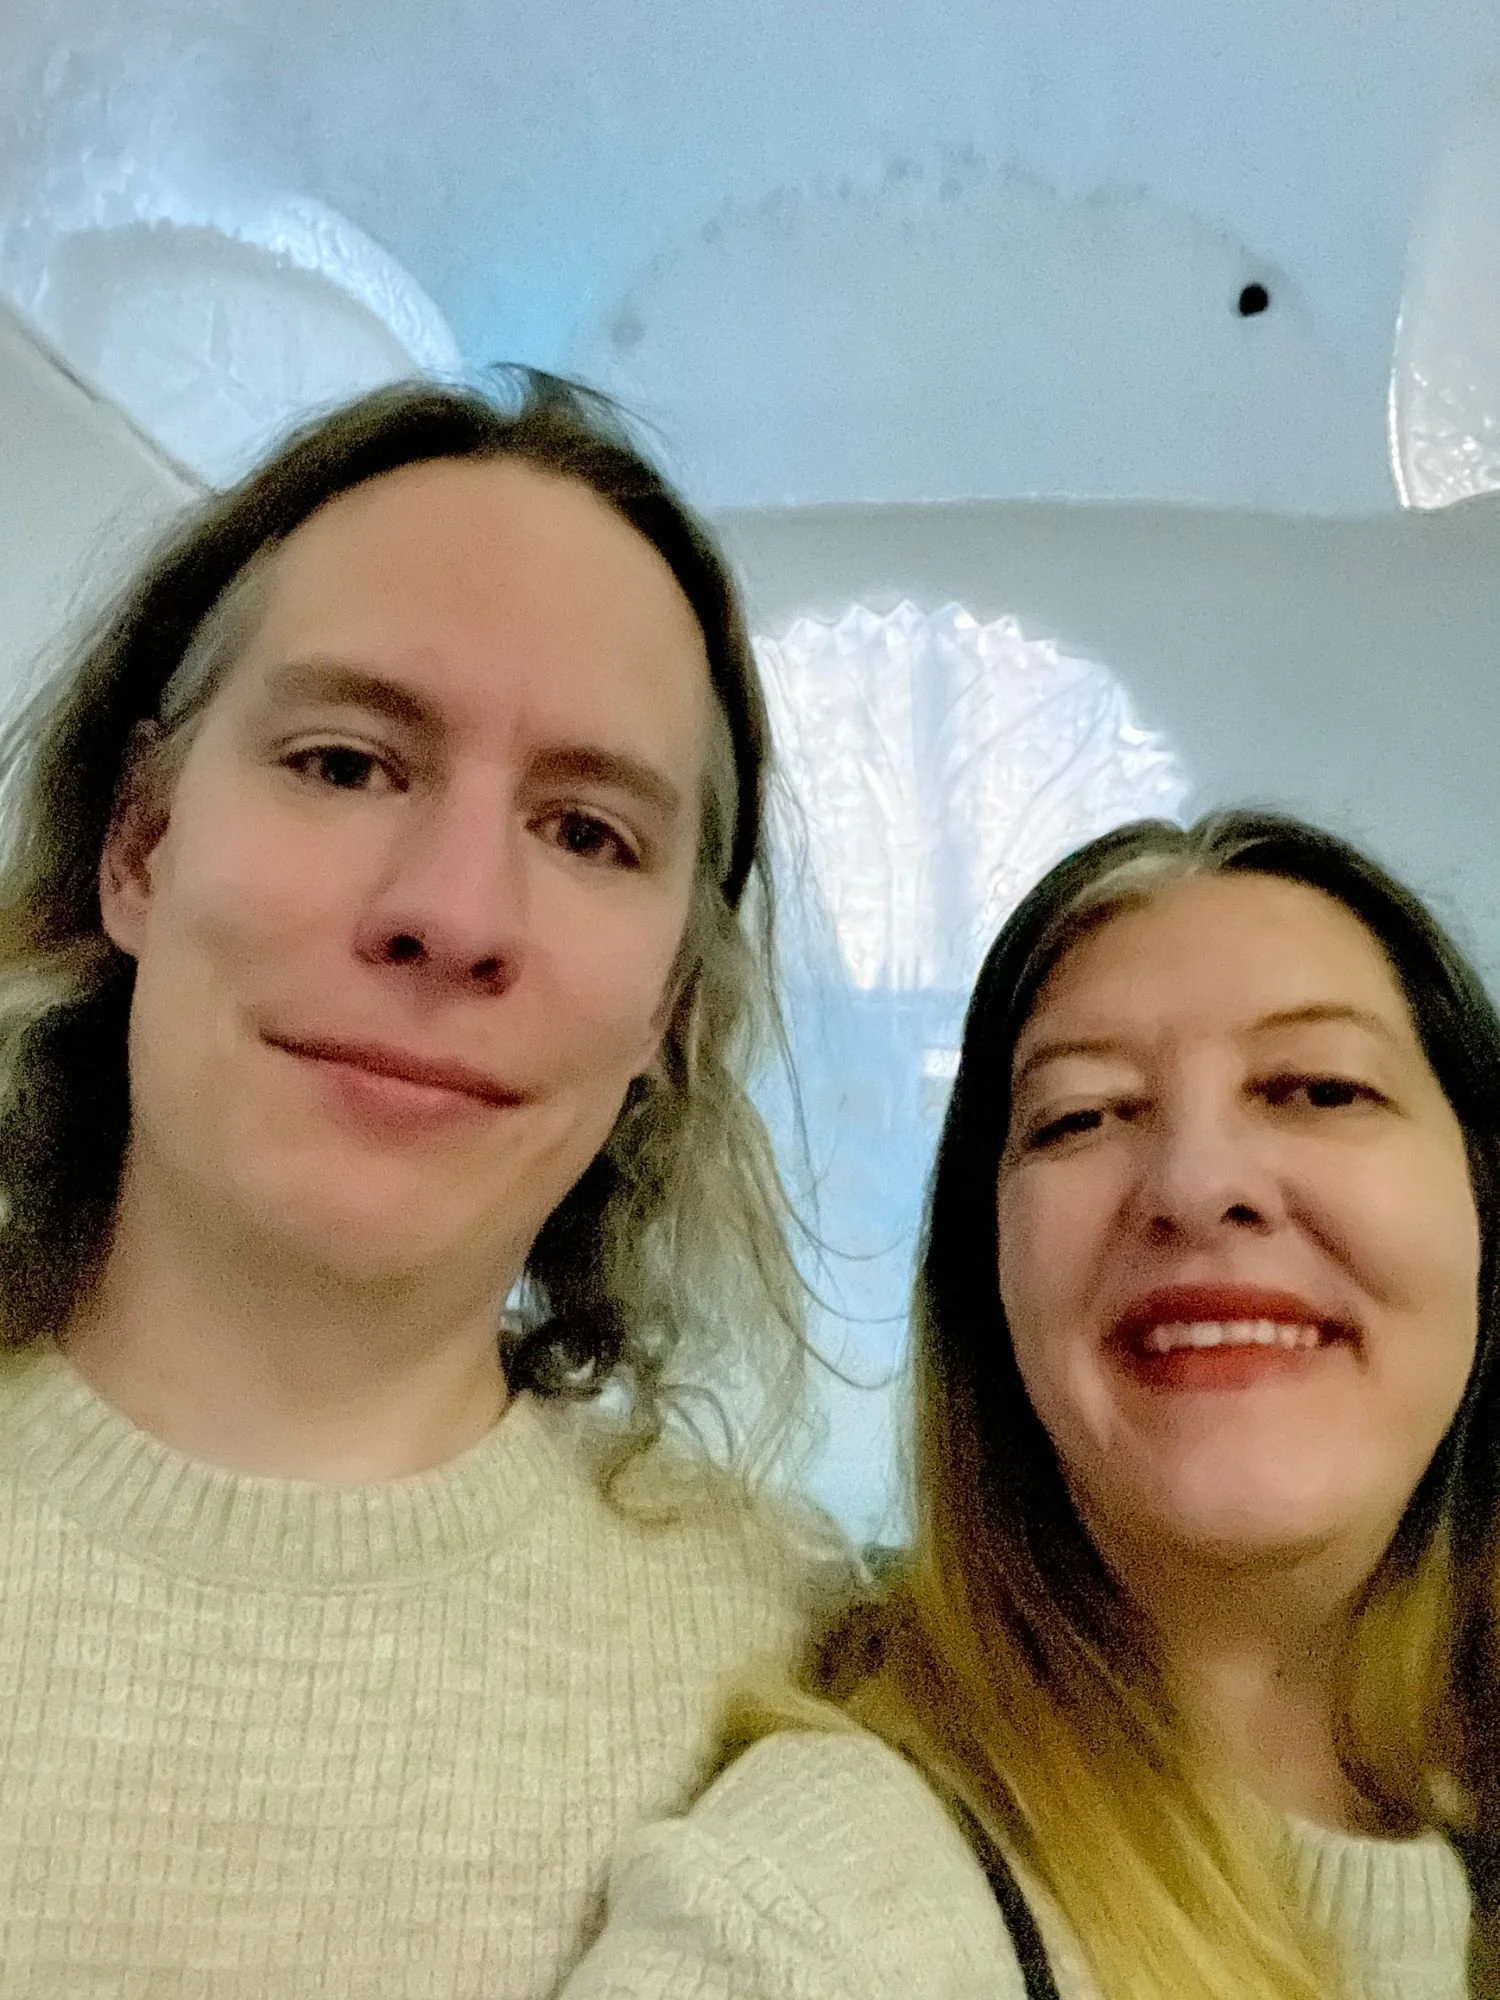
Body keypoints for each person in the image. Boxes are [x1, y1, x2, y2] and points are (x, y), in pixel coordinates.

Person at [0, 371, 835, 1995]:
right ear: (139, 850)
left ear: (668, 1006)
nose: (453, 914)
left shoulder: (814, 1693)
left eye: (589, 832)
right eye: (343, 761)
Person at [562, 810, 1498, 2000]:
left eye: (1318, 1086)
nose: (1197, 1184)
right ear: (990, 1285)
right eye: (1082, 1115)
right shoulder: (826, 1918)